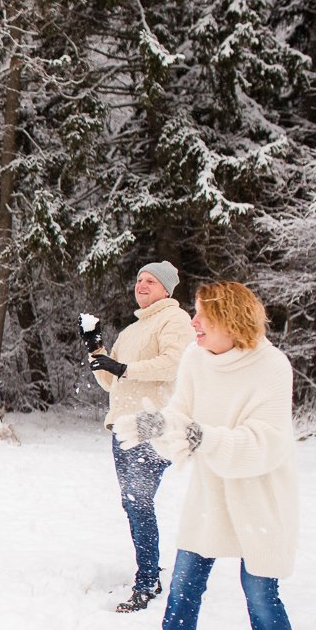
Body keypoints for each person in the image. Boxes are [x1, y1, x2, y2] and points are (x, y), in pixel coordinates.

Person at [114, 281, 310, 630]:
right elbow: (179, 417)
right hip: (210, 496)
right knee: (184, 583)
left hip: (260, 496)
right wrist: (151, 426)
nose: (194, 322)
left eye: (203, 315)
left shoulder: (271, 366)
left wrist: (200, 437)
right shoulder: (195, 359)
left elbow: (265, 442)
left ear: (232, 320)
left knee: (259, 592)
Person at [85, 260, 196, 611]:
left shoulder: (174, 320)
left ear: (166, 288)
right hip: (123, 425)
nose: (142, 285)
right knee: (134, 502)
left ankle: (147, 581)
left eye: (150, 281)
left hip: (154, 423)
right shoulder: (133, 330)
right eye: (138, 279)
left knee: (137, 500)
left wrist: (124, 368)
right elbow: (110, 381)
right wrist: (96, 350)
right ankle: (149, 571)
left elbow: (176, 364)